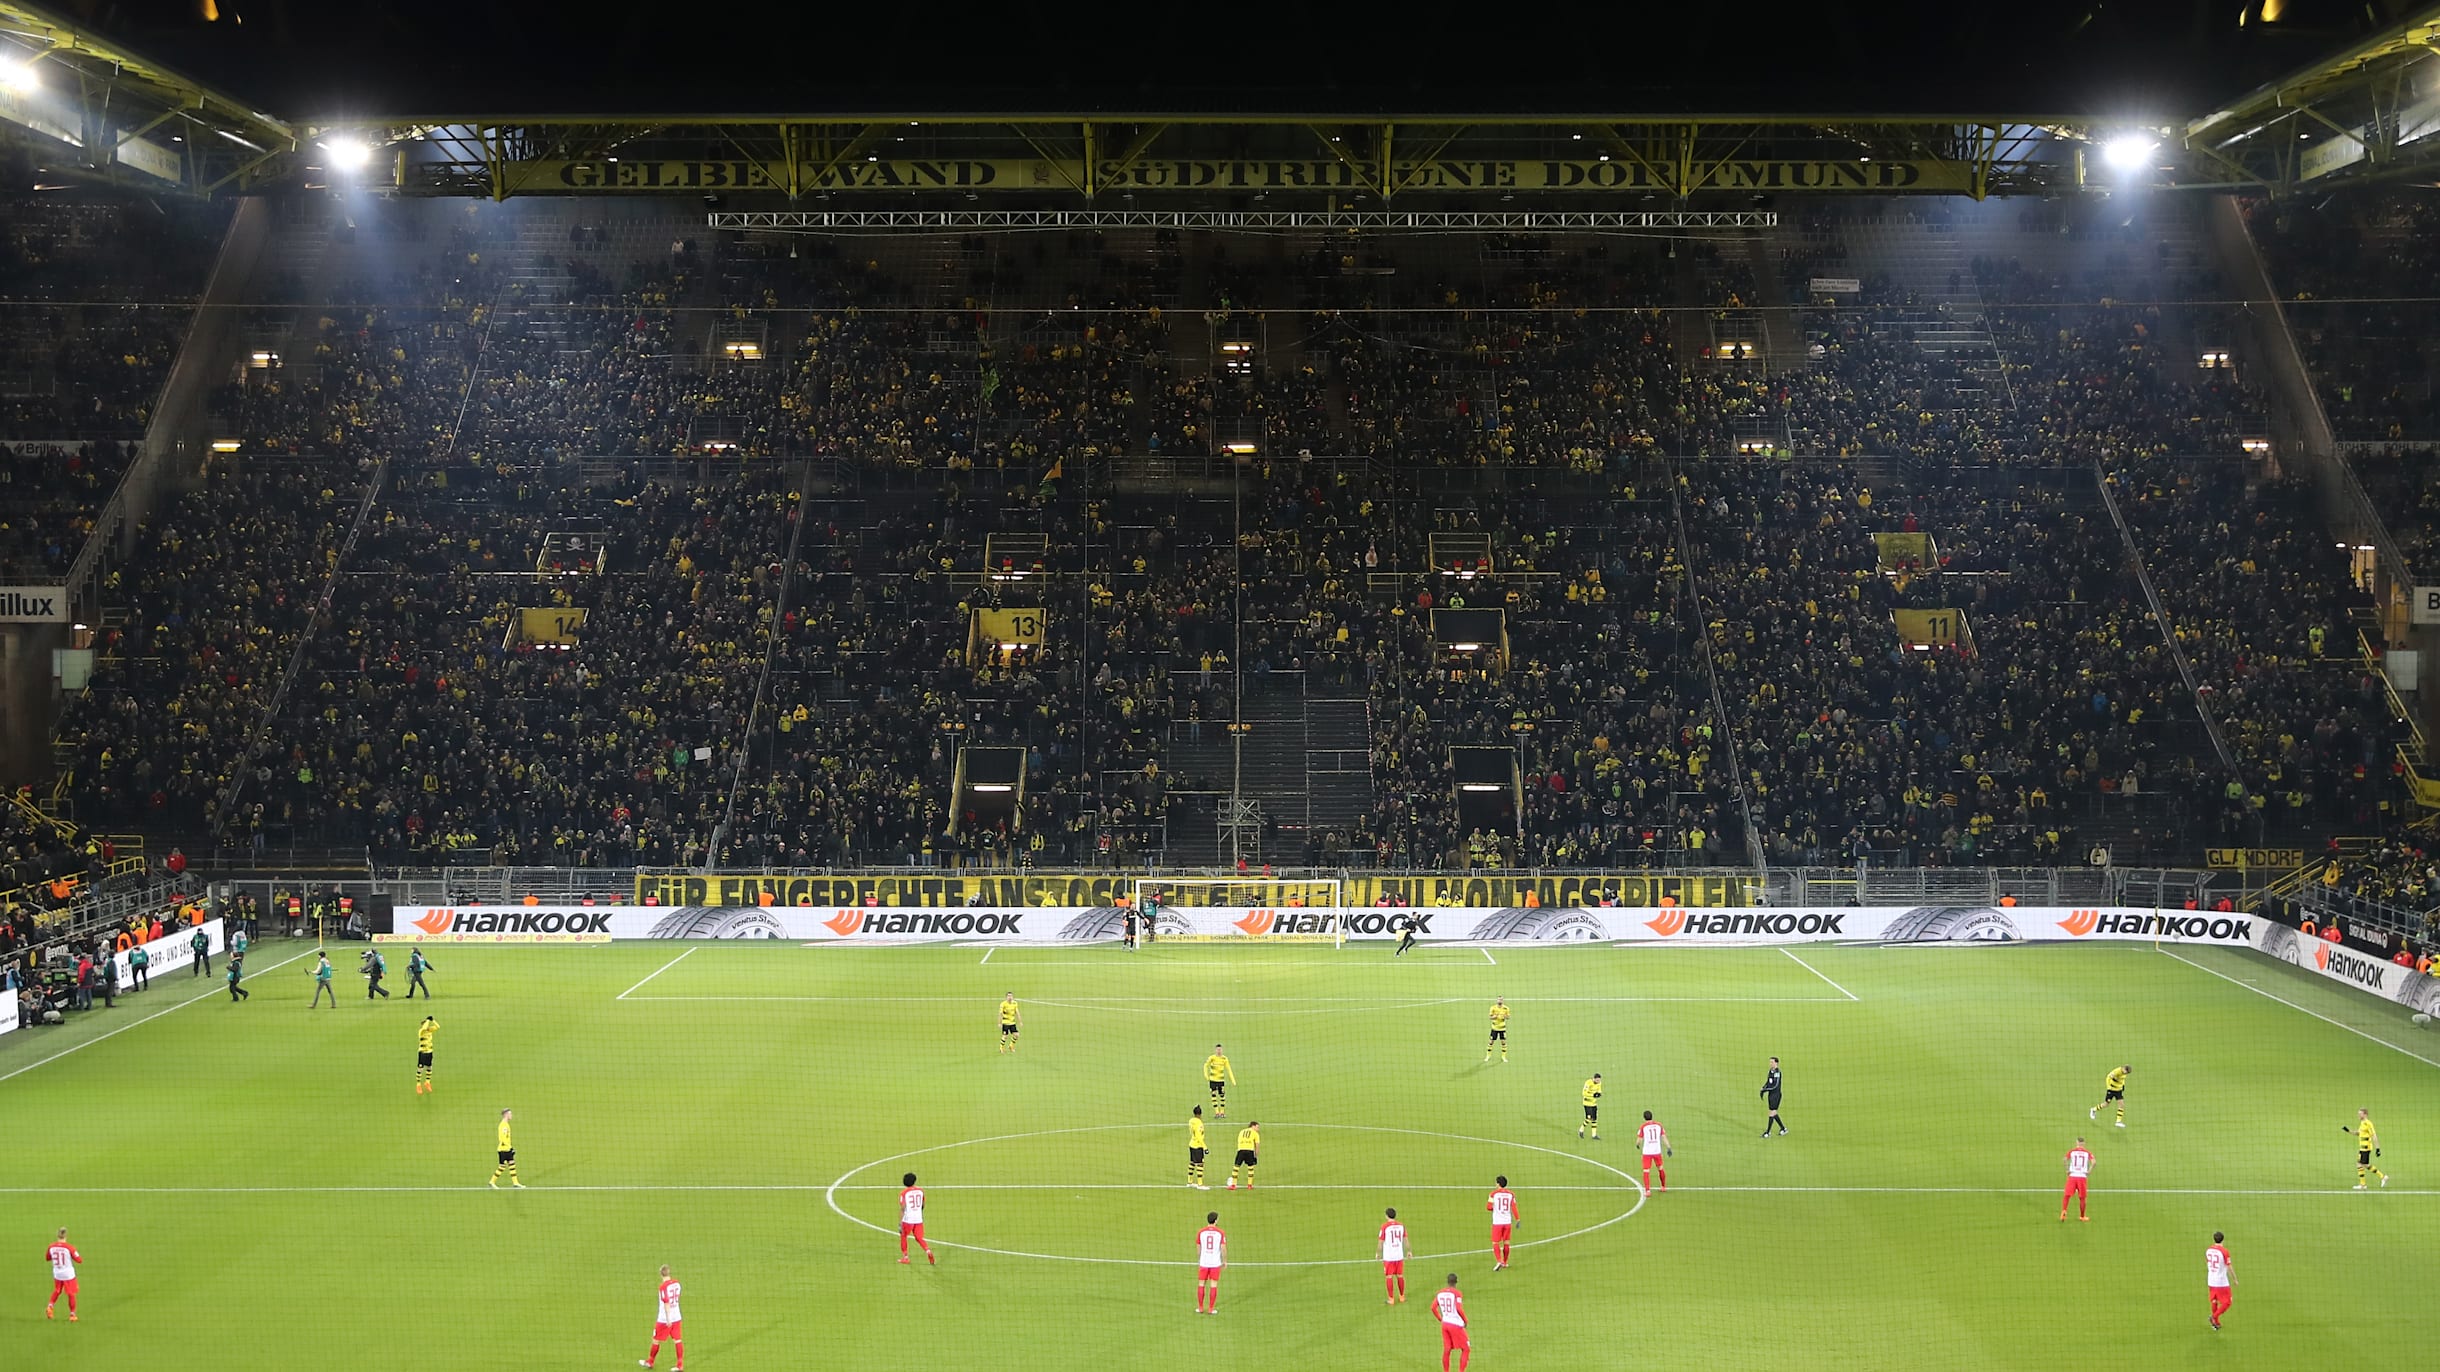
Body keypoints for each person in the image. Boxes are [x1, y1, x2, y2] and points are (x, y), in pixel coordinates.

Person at [640, 1263, 683, 1370]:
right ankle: (680, 1365)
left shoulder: (663, 1287)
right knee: (677, 1340)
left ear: (661, 1274)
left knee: (655, 1340)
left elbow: (666, 1303)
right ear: (669, 1273)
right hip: (677, 1316)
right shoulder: (677, 1283)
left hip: (664, 1319)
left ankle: (650, 1362)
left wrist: (668, 1318)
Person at [1432, 1272, 1471, 1372]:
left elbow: (1433, 1308)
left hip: (1445, 1324)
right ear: (1456, 1282)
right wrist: (1465, 1320)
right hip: (1455, 1324)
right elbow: (1458, 1308)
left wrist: (1441, 1319)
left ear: (1448, 1282)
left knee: (1447, 1349)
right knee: (1466, 1348)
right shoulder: (1457, 1293)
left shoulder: (1440, 1293)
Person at [897, 1171, 934, 1264]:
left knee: (903, 1236)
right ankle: (928, 1251)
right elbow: (923, 1205)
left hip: (908, 1219)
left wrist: (900, 1223)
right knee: (919, 1237)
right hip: (918, 1218)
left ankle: (905, 1257)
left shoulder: (904, 1193)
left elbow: (902, 1208)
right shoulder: (920, 1191)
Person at [45, 1227, 80, 1322]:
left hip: (57, 1273)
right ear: (66, 1236)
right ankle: (72, 1315)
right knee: (71, 1293)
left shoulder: (51, 1246)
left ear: (57, 1236)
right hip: (68, 1274)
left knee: (57, 1290)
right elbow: (79, 1260)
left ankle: (50, 1306)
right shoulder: (69, 1247)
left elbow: (47, 1258)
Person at [1195, 1211, 1226, 1314]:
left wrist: (1199, 1259)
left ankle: (1200, 1308)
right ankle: (1211, 1309)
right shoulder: (1220, 1232)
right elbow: (1223, 1248)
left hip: (1204, 1262)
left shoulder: (1201, 1232)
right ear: (1216, 1220)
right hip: (1215, 1263)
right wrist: (1224, 1261)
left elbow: (1198, 1247)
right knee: (1213, 1285)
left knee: (1201, 1284)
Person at [1377, 1207, 1408, 1304]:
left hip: (1389, 1257)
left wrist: (1378, 1253)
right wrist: (1409, 1251)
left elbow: (1381, 1242)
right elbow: (1406, 1240)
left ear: (1386, 1216)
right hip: (1399, 1255)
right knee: (1400, 1275)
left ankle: (1391, 1299)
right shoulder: (1401, 1226)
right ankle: (1402, 1297)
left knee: (1389, 1277)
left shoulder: (1385, 1226)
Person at [2349, 1108, 2386, 1189]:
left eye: (2360, 1114)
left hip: (2366, 1148)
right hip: (2362, 1148)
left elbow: (2374, 1135)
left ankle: (2382, 1177)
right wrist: (2350, 1131)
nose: (2358, 1115)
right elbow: (2359, 1133)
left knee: (2363, 1164)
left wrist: (2378, 1149)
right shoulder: (2362, 1123)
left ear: (2365, 1114)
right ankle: (2363, 1184)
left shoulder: (2368, 1123)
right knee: (2360, 1164)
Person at [1485, 1176, 1516, 1270]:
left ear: (1498, 1184)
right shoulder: (1511, 1194)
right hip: (1507, 1222)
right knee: (1506, 1242)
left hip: (1497, 1222)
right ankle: (1505, 1262)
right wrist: (1518, 1219)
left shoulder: (1493, 1194)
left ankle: (1499, 1260)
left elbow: (1488, 1207)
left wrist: (1496, 1208)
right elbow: (1514, 1207)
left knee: (1495, 1242)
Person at [2206, 1231, 2235, 1330]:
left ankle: (2216, 1323)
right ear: (2223, 1239)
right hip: (2221, 1281)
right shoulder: (2224, 1251)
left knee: (2214, 1300)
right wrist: (2235, 1279)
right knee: (2228, 1302)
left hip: (2211, 1279)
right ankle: (2214, 1317)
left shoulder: (2208, 1250)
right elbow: (2229, 1266)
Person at [490, 1108, 524, 1188]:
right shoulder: (503, 1125)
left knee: (512, 1164)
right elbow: (502, 1139)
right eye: (510, 1114)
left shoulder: (506, 1124)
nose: (511, 1115)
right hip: (503, 1149)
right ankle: (492, 1181)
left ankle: (515, 1183)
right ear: (506, 1115)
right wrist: (510, 1148)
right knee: (502, 1166)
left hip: (507, 1148)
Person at [1638, 1111, 1670, 1192]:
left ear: (1644, 1117)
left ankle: (1648, 1191)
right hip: (1657, 1151)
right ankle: (1663, 1187)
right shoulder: (1659, 1125)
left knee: (1646, 1171)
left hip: (1647, 1152)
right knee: (1660, 1168)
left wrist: (1637, 1145)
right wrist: (1668, 1147)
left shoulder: (1643, 1127)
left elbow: (1639, 1140)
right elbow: (1664, 1137)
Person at [2062, 1138, 2093, 1221]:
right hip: (2082, 1177)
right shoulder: (2087, 1153)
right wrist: (2089, 1171)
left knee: (2067, 1195)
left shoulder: (2072, 1151)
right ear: (2084, 1143)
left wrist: (2067, 1170)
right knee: (2082, 1198)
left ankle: (2064, 1211)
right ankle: (2082, 1216)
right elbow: (2094, 1162)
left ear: (2077, 1143)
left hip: (2072, 1175)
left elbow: (2064, 1159)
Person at [2092, 1064, 2130, 1129]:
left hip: (2118, 1090)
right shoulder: (2117, 1071)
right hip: (2111, 1090)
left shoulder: (2124, 1073)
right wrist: (2108, 1087)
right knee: (2106, 1104)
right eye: (2126, 1072)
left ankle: (2118, 1121)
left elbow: (2122, 1079)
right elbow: (2108, 1077)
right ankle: (2093, 1110)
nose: (2126, 1073)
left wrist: (2123, 1085)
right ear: (2123, 1068)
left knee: (2121, 1105)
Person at [1204, 1043, 1236, 1118]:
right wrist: (1206, 1075)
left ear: (1222, 1050)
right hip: (1212, 1080)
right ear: (1215, 1050)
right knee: (1213, 1096)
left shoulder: (1224, 1059)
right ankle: (1217, 1112)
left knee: (1222, 1096)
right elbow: (1205, 1065)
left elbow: (1229, 1069)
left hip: (1221, 1081)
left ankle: (1222, 1112)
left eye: (1220, 1049)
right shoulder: (1212, 1058)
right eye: (1218, 1049)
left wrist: (1233, 1080)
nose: (1219, 1051)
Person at [1227, 1120, 1260, 1190]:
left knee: (1236, 1167)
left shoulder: (1241, 1131)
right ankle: (1249, 1185)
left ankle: (1233, 1185)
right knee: (1250, 1168)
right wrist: (1256, 1156)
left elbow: (1238, 1141)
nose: (1258, 1129)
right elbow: (1257, 1145)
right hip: (1250, 1151)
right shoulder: (1255, 1133)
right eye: (1257, 1127)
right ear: (1253, 1126)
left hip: (1241, 1150)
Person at [1760, 1057, 1786, 1137]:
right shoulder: (1770, 1071)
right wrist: (1763, 1088)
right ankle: (1783, 1128)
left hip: (1776, 1095)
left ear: (1776, 1063)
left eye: (1772, 1062)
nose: (1770, 1063)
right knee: (1773, 1113)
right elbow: (1768, 1082)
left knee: (1771, 1113)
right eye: (1770, 1062)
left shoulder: (1778, 1073)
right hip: (1771, 1095)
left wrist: (1766, 1089)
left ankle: (1768, 1132)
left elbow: (1775, 1085)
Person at [1188, 1105, 1209, 1189]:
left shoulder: (1191, 1121)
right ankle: (1200, 1184)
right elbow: (1199, 1136)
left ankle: (1189, 1182)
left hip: (1191, 1144)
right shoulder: (1199, 1123)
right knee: (1200, 1164)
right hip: (1197, 1146)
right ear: (1200, 1114)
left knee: (1192, 1163)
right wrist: (1205, 1147)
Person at [415, 1016, 437, 1093]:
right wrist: (427, 1020)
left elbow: (438, 1026)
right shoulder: (421, 1031)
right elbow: (424, 1028)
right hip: (422, 1053)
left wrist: (433, 1020)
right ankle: (418, 1085)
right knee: (420, 1068)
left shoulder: (430, 1031)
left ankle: (427, 1082)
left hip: (429, 1052)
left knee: (429, 1067)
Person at [1484, 998, 1509, 1063]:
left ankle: (1503, 1057)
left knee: (1503, 1042)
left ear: (1503, 1001)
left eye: (1501, 999)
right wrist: (1494, 1017)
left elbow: (1508, 1017)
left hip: (1502, 1028)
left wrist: (1505, 1016)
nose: (1500, 1001)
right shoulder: (1493, 1008)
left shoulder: (1506, 1008)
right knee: (1491, 1042)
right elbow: (1490, 1017)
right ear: (1497, 1000)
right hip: (1494, 1028)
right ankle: (1488, 1056)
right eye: (1499, 999)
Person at [1579, 1072, 1602, 1140]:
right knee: (1589, 1118)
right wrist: (1592, 1095)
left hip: (1594, 1103)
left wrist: (1599, 1094)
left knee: (1594, 1119)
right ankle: (1581, 1129)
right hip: (1587, 1103)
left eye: (1599, 1080)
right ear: (1593, 1079)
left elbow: (1599, 1091)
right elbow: (1584, 1093)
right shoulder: (1588, 1083)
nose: (1598, 1082)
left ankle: (1594, 1135)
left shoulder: (1599, 1083)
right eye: (1597, 1080)